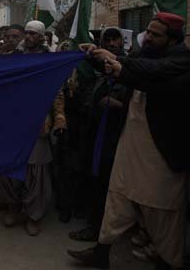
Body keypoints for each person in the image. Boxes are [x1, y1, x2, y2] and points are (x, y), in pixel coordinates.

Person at [69, 13, 189, 270]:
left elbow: (147, 74)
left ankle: (169, 262)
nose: (149, 37)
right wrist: (94, 54)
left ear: (172, 40)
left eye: (157, 35)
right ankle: (101, 253)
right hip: (130, 143)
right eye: (149, 31)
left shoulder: (181, 60)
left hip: (161, 153)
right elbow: (119, 70)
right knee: (117, 200)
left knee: (161, 212)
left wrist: (116, 61)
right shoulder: (143, 56)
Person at [0, 20, 66, 236]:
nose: (27, 37)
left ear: (41, 36)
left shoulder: (49, 61)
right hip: (13, 121)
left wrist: (59, 117)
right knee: (10, 168)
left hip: (38, 122)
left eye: (32, 33)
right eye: (26, 33)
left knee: (35, 172)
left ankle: (33, 215)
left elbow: (57, 91)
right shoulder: (11, 59)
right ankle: (12, 208)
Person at [69, 27, 130, 241]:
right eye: (109, 40)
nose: (113, 44)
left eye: (117, 40)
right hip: (95, 136)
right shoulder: (104, 71)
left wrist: (119, 106)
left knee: (107, 185)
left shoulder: (129, 70)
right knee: (93, 180)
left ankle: (100, 230)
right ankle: (94, 223)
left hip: (115, 140)